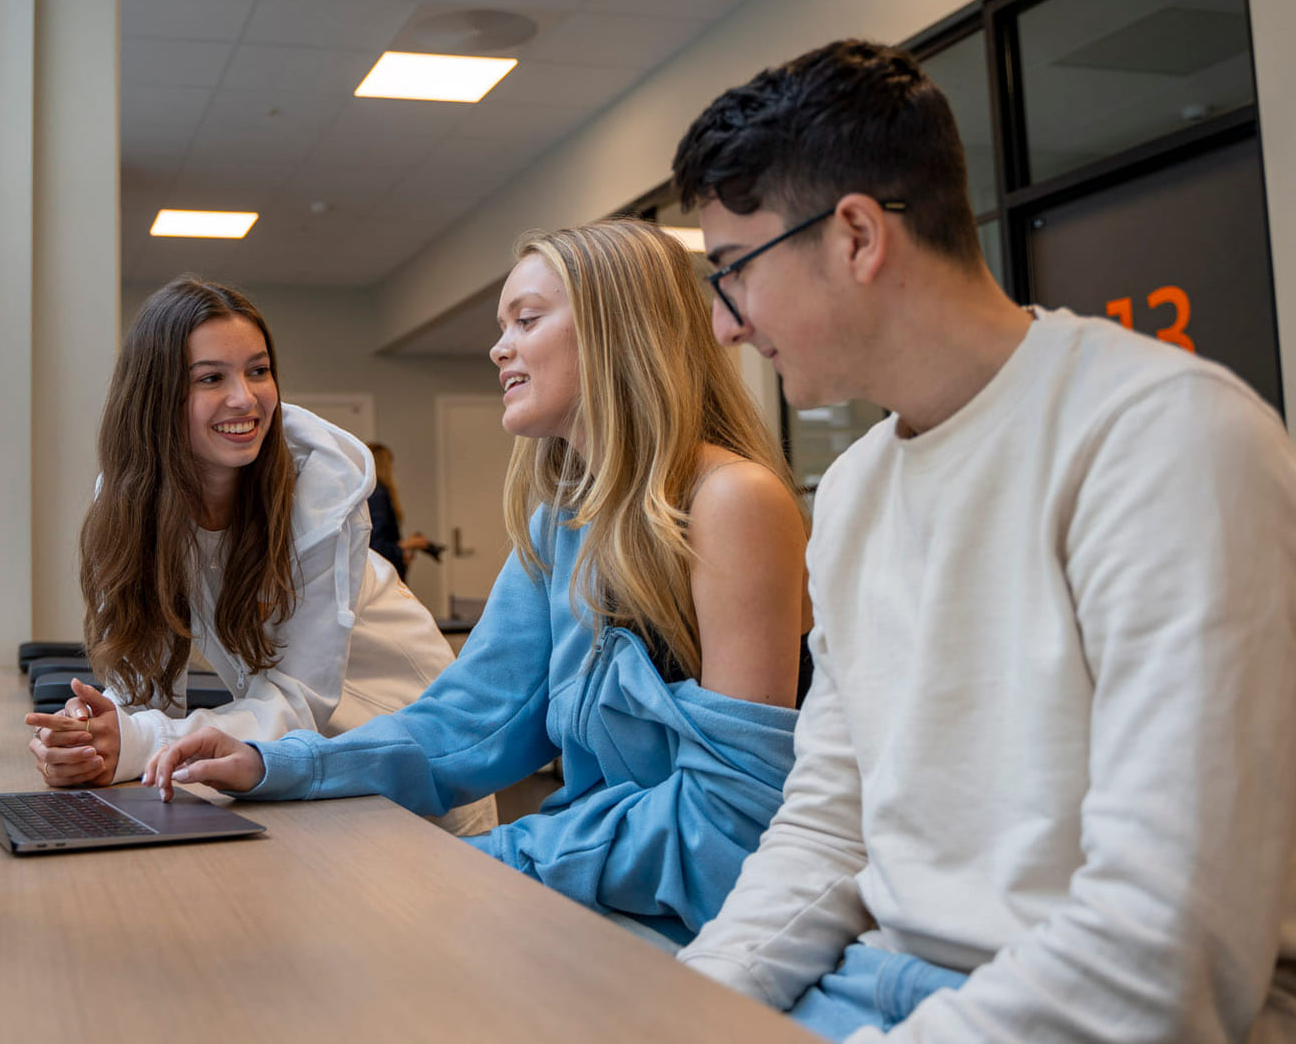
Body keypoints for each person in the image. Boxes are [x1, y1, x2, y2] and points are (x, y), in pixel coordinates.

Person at [669, 39, 1296, 1041]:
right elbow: (829, 823)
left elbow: (1159, 952)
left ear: (857, 234)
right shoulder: (856, 488)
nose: (726, 327)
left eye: (733, 271)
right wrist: (679, 1007)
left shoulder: (1165, 440)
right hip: (895, 985)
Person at [143, 220, 810, 942]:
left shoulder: (732, 502)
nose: (499, 348)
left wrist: (482, 861)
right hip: (602, 901)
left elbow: (728, 827)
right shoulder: (564, 522)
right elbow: (465, 723)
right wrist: (272, 765)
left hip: (709, 928)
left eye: (526, 320)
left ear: (619, 330)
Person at [24, 276, 494, 836]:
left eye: (258, 370)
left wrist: (139, 742)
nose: (245, 398)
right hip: (298, 771)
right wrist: (92, 735)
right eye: (210, 378)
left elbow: (299, 701)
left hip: (408, 758)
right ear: (155, 397)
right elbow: (140, 680)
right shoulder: (131, 501)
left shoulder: (319, 488)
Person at [365, 441, 433, 583]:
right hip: (382, 575)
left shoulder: (367, 494)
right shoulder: (378, 495)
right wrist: (409, 544)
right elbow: (376, 547)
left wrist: (401, 551)